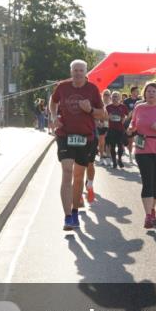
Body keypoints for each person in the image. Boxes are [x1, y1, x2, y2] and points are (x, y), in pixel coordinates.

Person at [49, 60, 105, 232]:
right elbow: (53, 101)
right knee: (67, 172)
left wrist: (89, 110)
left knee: (79, 176)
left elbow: (103, 114)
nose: (78, 73)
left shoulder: (93, 89)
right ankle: (67, 217)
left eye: (81, 70)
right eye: (75, 70)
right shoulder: (63, 86)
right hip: (65, 135)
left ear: (86, 72)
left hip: (85, 137)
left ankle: (74, 211)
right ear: (71, 71)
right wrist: (53, 116)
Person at [126, 81, 156, 229]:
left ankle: (152, 209)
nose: (151, 93)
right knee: (147, 181)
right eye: (148, 91)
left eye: (154, 91)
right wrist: (130, 129)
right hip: (143, 149)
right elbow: (134, 124)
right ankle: (148, 216)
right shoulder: (139, 107)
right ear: (144, 93)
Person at [106, 91, 129, 168]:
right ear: (111, 98)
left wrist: (124, 119)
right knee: (112, 146)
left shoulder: (123, 107)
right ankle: (114, 161)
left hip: (120, 129)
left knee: (120, 145)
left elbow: (127, 116)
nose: (115, 98)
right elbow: (105, 117)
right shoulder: (108, 107)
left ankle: (119, 159)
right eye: (113, 96)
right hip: (111, 129)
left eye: (116, 96)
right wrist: (107, 117)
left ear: (119, 98)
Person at [122, 86, 141, 165]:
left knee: (139, 140)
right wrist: (130, 114)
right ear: (132, 92)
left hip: (139, 122)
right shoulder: (126, 101)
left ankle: (138, 155)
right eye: (136, 91)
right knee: (130, 140)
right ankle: (130, 155)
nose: (137, 93)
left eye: (138, 91)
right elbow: (124, 111)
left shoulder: (140, 101)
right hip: (129, 122)